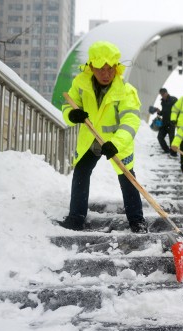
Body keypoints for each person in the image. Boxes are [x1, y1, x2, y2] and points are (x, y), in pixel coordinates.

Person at [57, 41, 147, 233]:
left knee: (127, 178)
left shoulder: (125, 90)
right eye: (100, 69)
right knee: (81, 173)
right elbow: (68, 105)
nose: (105, 74)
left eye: (110, 69)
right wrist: (72, 115)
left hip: (116, 143)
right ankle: (76, 218)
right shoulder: (80, 84)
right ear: (91, 67)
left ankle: (137, 220)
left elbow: (130, 121)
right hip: (90, 139)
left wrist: (115, 143)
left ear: (116, 68)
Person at [154, 88, 178, 156]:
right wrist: (159, 112)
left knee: (172, 139)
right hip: (164, 123)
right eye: (161, 94)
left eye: (163, 94)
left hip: (171, 123)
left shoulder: (174, 99)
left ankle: (173, 153)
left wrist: (176, 121)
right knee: (160, 137)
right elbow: (164, 112)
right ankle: (167, 150)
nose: (162, 95)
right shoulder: (162, 102)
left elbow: (178, 110)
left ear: (166, 93)